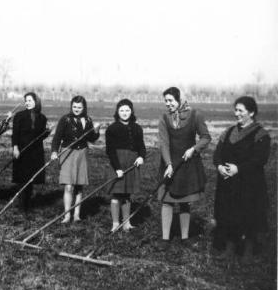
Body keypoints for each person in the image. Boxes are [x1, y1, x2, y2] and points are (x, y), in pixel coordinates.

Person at [213, 96, 271, 262]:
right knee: (228, 214)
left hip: (249, 185)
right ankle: (230, 248)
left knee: (249, 215)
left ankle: (248, 252)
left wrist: (238, 169)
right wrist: (219, 166)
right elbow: (218, 153)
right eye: (235, 110)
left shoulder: (260, 134)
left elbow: (260, 159)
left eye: (240, 111)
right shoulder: (228, 132)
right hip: (228, 184)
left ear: (251, 112)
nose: (236, 113)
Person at [158, 87, 210, 246]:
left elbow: (206, 137)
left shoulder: (195, 115)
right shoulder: (164, 118)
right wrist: (168, 164)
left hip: (188, 165)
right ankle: (165, 239)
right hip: (170, 164)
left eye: (171, 100)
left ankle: (185, 237)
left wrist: (193, 149)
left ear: (179, 99)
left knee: (184, 202)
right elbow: (164, 143)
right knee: (167, 201)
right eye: (166, 101)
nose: (168, 104)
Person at [51, 95, 101, 223]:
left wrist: (97, 130)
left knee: (79, 186)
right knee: (68, 186)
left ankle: (77, 215)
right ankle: (67, 215)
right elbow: (57, 137)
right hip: (68, 153)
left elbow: (92, 138)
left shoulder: (88, 120)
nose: (76, 109)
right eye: (74, 107)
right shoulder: (65, 119)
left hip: (82, 154)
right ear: (71, 106)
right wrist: (54, 151)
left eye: (79, 107)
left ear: (84, 107)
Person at [105, 98, 146, 231]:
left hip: (131, 162)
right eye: (122, 110)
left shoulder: (137, 128)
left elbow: (142, 146)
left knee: (127, 195)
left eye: (127, 110)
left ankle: (127, 223)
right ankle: (116, 223)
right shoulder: (111, 129)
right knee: (116, 194)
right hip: (117, 162)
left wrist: (141, 157)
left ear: (131, 111)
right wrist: (117, 168)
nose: (124, 113)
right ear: (117, 112)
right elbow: (110, 151)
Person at [12, 92, 49, 212]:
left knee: (31, 179)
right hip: (22, 151)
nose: (27, 103)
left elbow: (40, 136)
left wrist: (47, 133)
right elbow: (15, 134)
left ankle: (28, 204)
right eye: (26, 101)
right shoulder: (19, 116)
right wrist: (15, 147)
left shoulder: (42, 118)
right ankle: (22, 206)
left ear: (36, 101)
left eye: (30, 100)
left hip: (35, 152)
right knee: (22, 179)